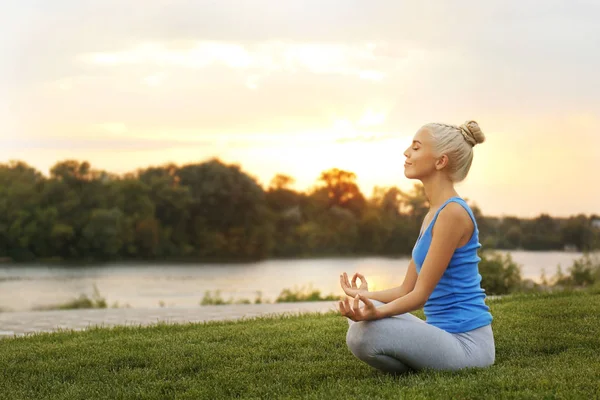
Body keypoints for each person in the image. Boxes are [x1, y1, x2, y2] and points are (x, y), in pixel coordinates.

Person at [339, 120, 495, 375]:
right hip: (442, 335)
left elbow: (419, 296)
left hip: (468, 345)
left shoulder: (452, 214)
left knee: (362, 333)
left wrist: (375, 314)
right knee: (357, 317)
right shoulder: (433, 214)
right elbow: (406, 289)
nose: (406, 153)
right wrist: (365, 297)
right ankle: (419, 366)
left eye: (416, 147)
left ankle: (416, 367)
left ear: (440, 161)